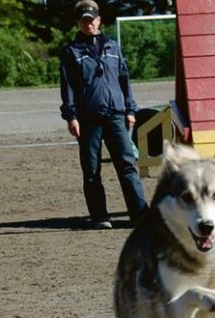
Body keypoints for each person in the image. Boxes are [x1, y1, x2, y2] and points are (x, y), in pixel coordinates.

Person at [59, 0, 147, 229]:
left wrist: (130, 109)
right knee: (91, 170)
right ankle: (100, 216)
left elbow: (124, 80)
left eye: (92, 19)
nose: (88, 24)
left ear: (99, 20)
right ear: (78, 23)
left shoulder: (113, 47)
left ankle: (140, 214)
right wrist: (71, 116)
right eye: (84, 21)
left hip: (116, 115)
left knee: (127, 165)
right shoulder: (71, 52)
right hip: (88, 118)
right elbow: (67, 87)